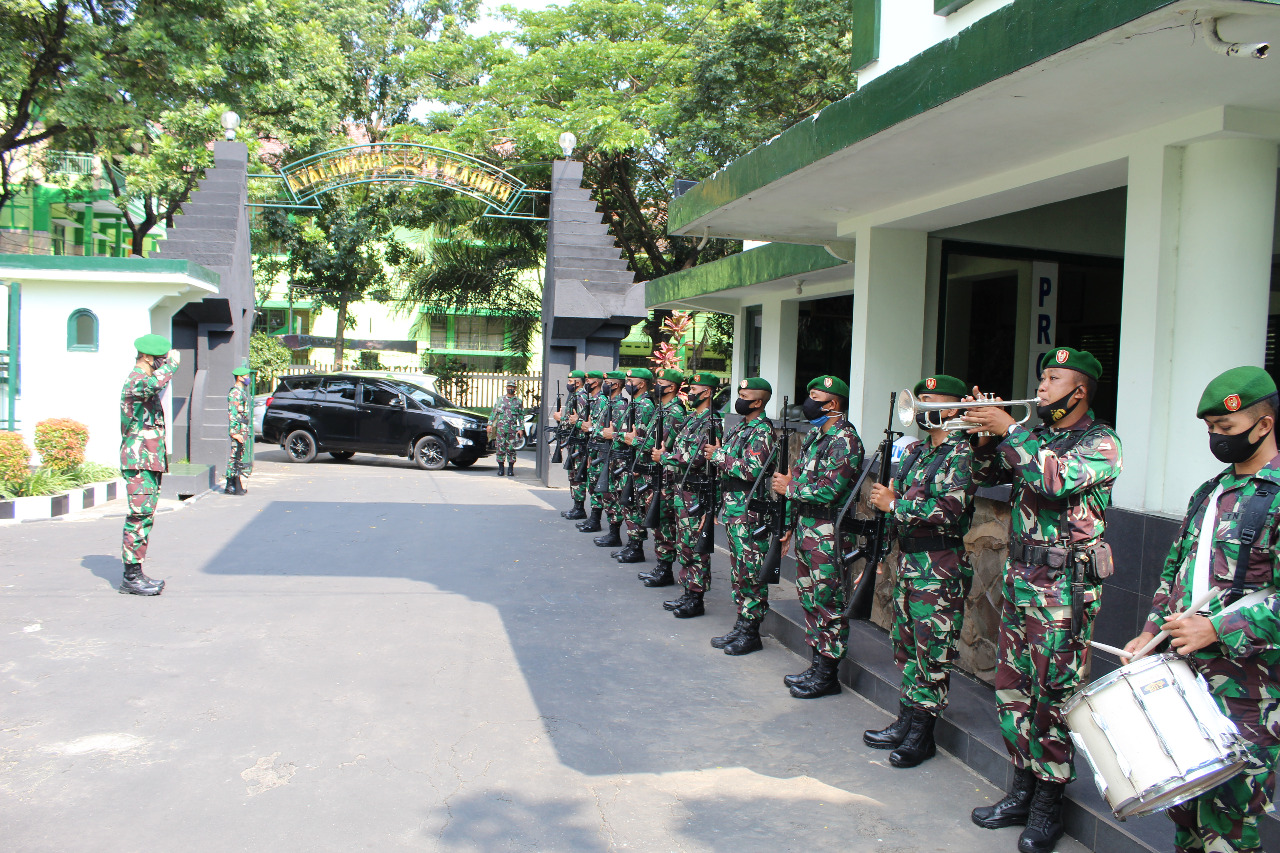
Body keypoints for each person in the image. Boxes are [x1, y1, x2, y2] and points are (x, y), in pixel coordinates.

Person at [963, 347, 1122, 853]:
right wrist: (985, 440)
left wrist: (1010, 429)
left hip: (1062, 589)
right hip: (1022, 580)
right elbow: (987, 477)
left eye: (1053, 378)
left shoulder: (1102, 442)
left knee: (1053, 694)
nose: (1042, 386)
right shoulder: (1040, 437)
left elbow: (1052, 481)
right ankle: (1021, 790)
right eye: (1042, 377)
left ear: (1080, 391)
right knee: (1013, 689)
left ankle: (1048, 804)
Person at [1122, 366, 1280, 853]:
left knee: (1229, 822)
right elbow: (1174, 575)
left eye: (1226, 427)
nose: (1216, 438)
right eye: (1211, 428)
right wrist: (1149, 633)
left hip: (1246, 692)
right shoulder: (1209, 492)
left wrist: (1217, 629)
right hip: (1184, 680)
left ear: (1264, 424)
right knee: (1186, 811)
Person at [866, 374, 976, 768]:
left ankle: (922, 735)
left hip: (940, 567)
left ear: (954, 407)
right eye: (921, 400)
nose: (924, 408)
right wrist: (882, 550)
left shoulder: (962, 453)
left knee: (932, 652)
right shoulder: (918, 452)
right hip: (910, 563)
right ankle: (907, 719)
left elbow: (950, 510)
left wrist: (895, 505)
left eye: (933, 400)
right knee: (908, 648)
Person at [771, 375, 864, 699]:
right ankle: (816, 664)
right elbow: (798, 477)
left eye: (815, 397)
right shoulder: (815, 436)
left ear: (833, 404)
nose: (809, 403)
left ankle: (828, 675)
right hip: (808, 529)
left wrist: (790, 488)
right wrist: (788, 525)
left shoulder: (846, 440)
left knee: (829, 601)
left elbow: (829, 491)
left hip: (829, 534)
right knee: (810, 598)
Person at [705, 377, 776, 655]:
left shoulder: (762, 431)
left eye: (745, 396)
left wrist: (719, 456)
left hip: (750, 510)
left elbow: (752, 470)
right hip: (734, 508)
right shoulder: (740, 428)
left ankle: (751, 631)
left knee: (751, 571)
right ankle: (742, 623)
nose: (740, 400)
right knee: (739, 572)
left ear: (758, 402)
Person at [119, 334, 181, 596]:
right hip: (139, 461)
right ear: (146, 357)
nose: (163, 363)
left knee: (144, 517)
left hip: (148, 460)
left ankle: (136, 572)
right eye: (160, 359)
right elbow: (153, 385)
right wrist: (172, 365)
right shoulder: (136, 380)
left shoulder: (144, 381)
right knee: (139, 517)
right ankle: (131, 578)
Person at [654, 372, 720, 618]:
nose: (690, 393)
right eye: (690, 389)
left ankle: (696, 597)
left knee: (695, 546)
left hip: (697, 492)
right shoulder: (693, 418)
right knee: (684, 544)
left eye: (695, 390)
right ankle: (688, 592)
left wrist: (665, 457)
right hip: (683, 489)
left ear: (708, 393)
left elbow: (696, 458)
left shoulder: (710, 422)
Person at [637, 370, 688, 587]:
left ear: (672, 387)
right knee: (659, 523)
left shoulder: (674, 412)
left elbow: (657, 444)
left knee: (665, 524)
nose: (656, 386)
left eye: (661, 383)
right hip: (658, 472)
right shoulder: (662, 409)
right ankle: (662, 566)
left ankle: (665, 569)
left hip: (667, 475)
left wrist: (629, 439)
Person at [614, 368, 657, 563]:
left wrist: (616, 435)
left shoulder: (645, 406)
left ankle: (636, 547)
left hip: (637, 463)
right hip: (628, 461)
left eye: (631, 381)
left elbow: (638, 437)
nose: (628, 384)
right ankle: (632, 544)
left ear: (642, 384)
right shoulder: (635, 403)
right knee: (628, 505)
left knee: (634, 506)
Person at [594, 370, 632, 548]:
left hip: (616, 458)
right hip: (606, 455)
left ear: (616, 385)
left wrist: (604, 433)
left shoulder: (620, 406)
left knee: (615, 497)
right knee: (607, 495)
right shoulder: (609, 403)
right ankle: (612, 533)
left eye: (608, 383)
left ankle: (616, 535)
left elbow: (615, 434)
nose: (604, 385)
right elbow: (599, 430)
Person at [576, 369, 616, 533]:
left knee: (601, 488)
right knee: (594, 485)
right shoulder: (600, 401)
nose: (586, 384)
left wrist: (590, 428)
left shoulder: (604, 401)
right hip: (595, 449)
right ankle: (594, 518)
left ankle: (598, 521)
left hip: (604, 451)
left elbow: (604, 430)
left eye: (608, 383)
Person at [557, 370, 589, 519]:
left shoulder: (581, 397)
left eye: (571, 381)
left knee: (577, 475)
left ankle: (579, 508)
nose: (568, 384)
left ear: (578, 382)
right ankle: (576, 506)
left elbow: (577, 421)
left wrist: (560, 419)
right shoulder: (574, 396)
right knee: (573, 474)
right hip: (573, 442)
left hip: (579, 443)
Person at [488, 379, 523, 476]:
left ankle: (510, 469)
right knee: (500, 448)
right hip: (501, 429)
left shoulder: (518, 402)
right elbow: (494, 412)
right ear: (506, 387)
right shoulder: (500, 400)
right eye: (509, 386)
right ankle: (501, 468)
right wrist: (490, 424)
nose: (511, 388)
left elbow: (521, 416)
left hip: (512, 429)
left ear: (515, 388)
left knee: (511, 448)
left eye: (512, 387)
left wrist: (521, 428)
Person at [225, 366, 251, 496]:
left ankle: (233, 484)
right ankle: (232, 485)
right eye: (246, 376)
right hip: (238, 429)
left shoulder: (242, 391)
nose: (248, 379)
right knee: (234, 456)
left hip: (242, 427)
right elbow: (233, 414)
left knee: (238, 456)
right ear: (239, 377)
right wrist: (234, 433)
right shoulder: (235, 393)